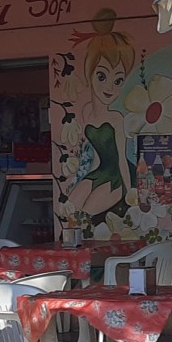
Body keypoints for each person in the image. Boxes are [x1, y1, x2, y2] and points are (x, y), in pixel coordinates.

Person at [59, 12, 137, 225]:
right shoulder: (85, 112)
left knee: (85, 213)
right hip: (98, 170)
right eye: (102, 76)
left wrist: (130, 192)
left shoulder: (116, 119)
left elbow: (121, 158)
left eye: (118, 80)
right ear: (90, 73)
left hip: (118, 175)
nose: (110, 87)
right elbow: (92, 157)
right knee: (70, 208)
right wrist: (81, 181)